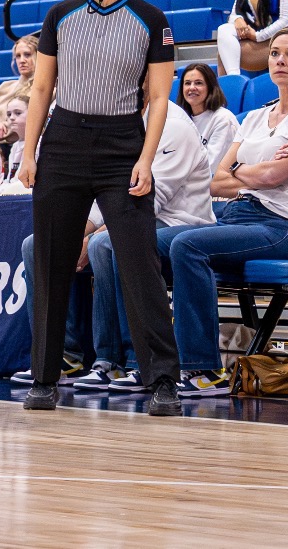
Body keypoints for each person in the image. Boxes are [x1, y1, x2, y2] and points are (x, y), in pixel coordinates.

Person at [14, 0, 183, 416]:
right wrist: (29, 152)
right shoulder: (60, 15)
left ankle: (162, 379)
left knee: (138, 263)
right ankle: (45, 377)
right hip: (62, 142)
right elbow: (41, 89)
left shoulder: (152, 20)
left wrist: (146, 158)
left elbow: (157, 99)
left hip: (121, 145)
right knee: (50, 261)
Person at [157, 27, 288, 398]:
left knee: (188, 246)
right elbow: (215, 181)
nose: (280, 61)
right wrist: (254, 173)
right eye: (274, 54)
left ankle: (203, 370)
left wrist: (242, 172)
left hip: (280, 226)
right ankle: (136, 359)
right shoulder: (257, 116)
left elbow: (275, 176)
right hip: (232, 215)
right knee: (137, 242)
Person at [76, 101, 216, 393]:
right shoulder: (117, 118)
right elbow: (107, 189)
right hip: (138, 219)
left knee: (108, 243)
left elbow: (152, 199)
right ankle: (100, 359)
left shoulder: (173, 125)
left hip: (181, 221)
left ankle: (137, 359)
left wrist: (94, 235)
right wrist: (80, 231)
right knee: (44, 244)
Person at [176, 63, 238, 180]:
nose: (192, 87)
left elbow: (211, 167)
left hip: (216, 188)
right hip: (188, 184)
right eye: (187, 83)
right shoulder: (181, 119)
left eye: (198, 83)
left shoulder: (223, 119)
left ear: (210, 87)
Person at [0, 34, 37, 112]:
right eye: (18, 56)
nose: (22, 60)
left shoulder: (47, 91)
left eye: (27, 55)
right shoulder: (4, 87)